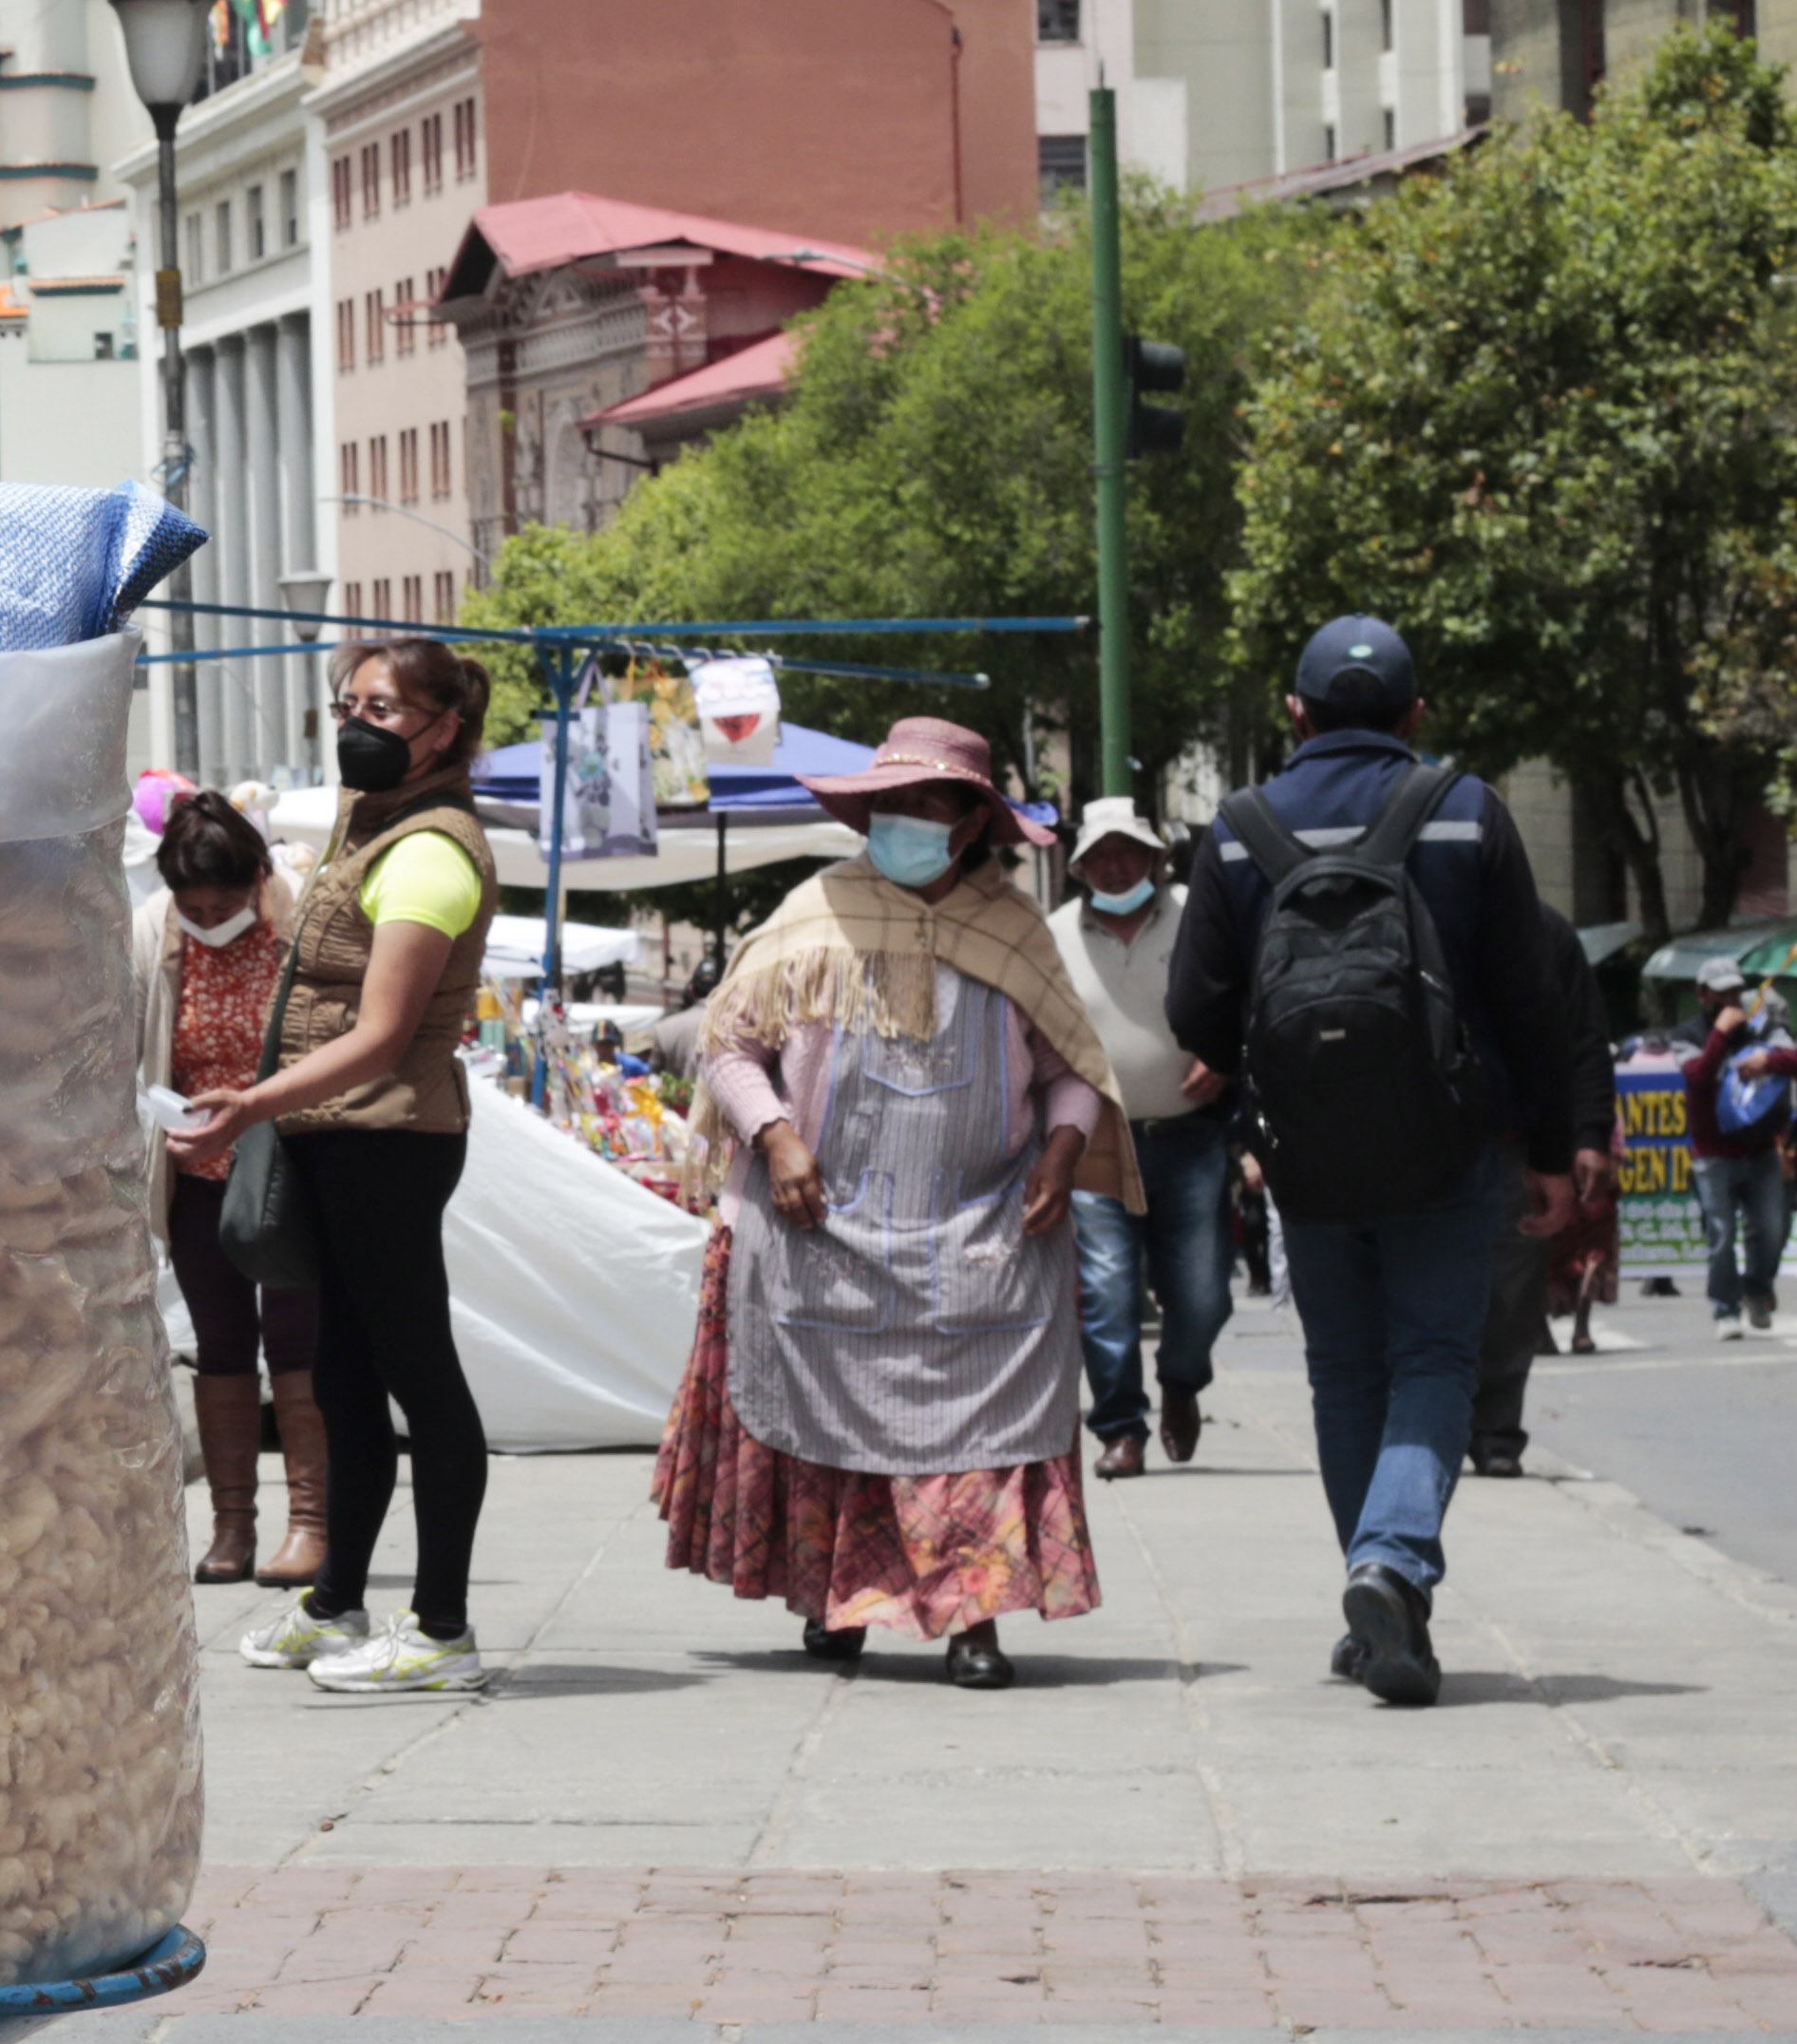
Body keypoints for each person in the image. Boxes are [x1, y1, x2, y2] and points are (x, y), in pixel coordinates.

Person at [1165, 617, 1585, 1709]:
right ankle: (1390, 1566)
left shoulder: (1238, 827)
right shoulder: (1464, 809)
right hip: (1447, 1146)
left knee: (1344, 1371)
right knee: (1434, 1360)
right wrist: (1550, 1149)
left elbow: (1193, 1010)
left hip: (1305, 1153)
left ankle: (1376, 1590)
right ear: (1413, 715)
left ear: (1293, 713)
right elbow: (1527, 997)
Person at [655, 719, 1119, 1692]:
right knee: (829, 1417)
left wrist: (1064, 1147)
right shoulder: (809, 914)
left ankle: (973, 1619)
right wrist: (775, 1135)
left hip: (981, 1228)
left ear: (970, 823)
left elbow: (1071, 1069)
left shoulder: (1014, 932)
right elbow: (730, 1047)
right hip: (822, 1226)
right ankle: (835, 1597)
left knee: (983, 1431)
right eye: (889, 804)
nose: (903, 819)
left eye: (926, 804)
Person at [170, 635, 503, 1696]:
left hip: (387, 1141)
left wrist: (250, 1106)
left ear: (444, 730)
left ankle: (441, 1629)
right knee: (343, 1380)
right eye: (348, 705)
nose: (359, 725)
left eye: (385, 709)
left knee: (420, 1379)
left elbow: (381, 1032)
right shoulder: (372, 825)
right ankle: (334, 1604)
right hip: (334, 1135)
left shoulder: (431, 851)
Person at [142, 792, 326, 1586]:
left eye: (223, 906)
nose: (209, 920)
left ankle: (312, 1524)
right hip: (197, 1172)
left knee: (297, 1341)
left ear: (257, 881)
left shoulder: (301, 928)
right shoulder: (153, 935)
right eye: (194, 908)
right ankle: (231, 1529)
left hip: (289, 1171)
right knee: (220, 1344)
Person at [1050, 801, 1235, 1483]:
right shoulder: (1055, 934)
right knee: (1106, 1292)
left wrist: (1225, 1057)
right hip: (1097, 1143)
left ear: (1157, 858)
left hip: (1190, 1138)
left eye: (1128, 851)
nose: (1115, 866)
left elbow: (1245, 994)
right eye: (1099, 855)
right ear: (1079, 868)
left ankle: (1182, 1382)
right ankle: (1121, 1427)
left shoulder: (1200, 916)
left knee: (1203, 1292)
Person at [1468, 907, 1618, 1476]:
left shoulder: (1542, 931)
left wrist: (1590, 1134)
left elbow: (1585, 1038)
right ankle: (1424, 1421)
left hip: (1515, 1142)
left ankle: (1495, 1431)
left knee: (1511, 1294)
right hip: (1420, 1141)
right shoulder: (1406, 906)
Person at [1678, 959, 1793, 1338]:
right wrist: (1720, 1035)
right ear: (1702, 995)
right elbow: (1697, 1077)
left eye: (1734, 992)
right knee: (1721, 1234)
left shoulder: (1762, 1027)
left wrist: (1767, 1061)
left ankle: (1757, 1289)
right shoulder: (1687, 1035)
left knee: (1772, 1229)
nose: (1729, 1000)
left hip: (1760, 1149)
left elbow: (1793, 1056)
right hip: (1713, 1154)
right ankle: (1725, 1308)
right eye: (1720, 993)